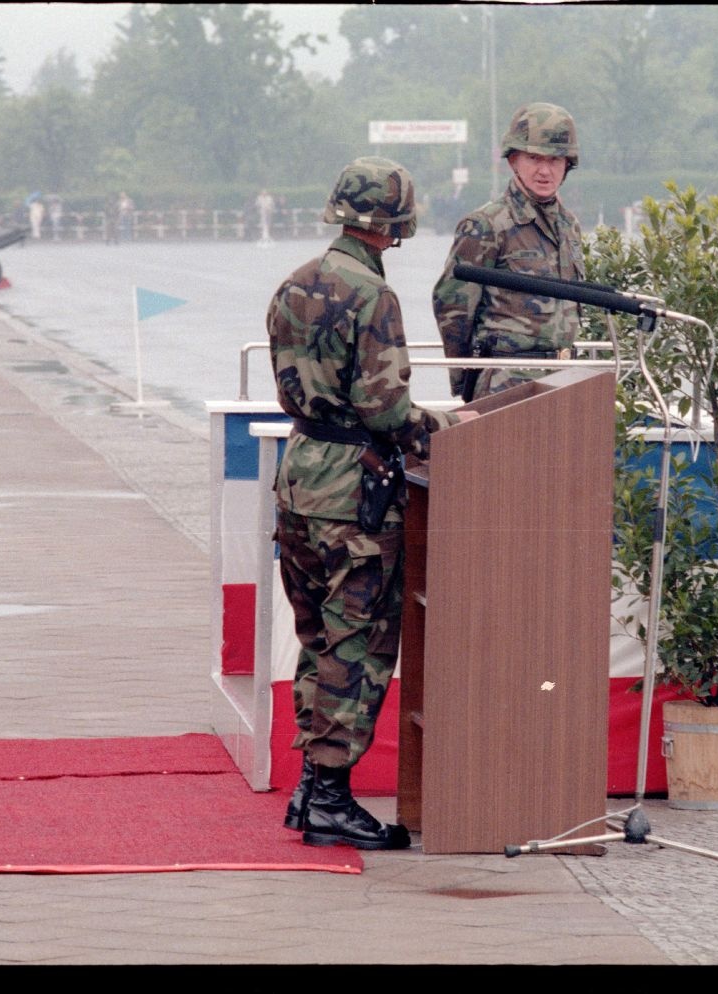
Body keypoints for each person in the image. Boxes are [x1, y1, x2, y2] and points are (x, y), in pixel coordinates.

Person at [269, 156, 473, 850]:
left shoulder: (292, 285)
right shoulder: (373, 298)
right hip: (353, 495)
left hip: (299, 479)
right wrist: (449, 425)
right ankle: (328, 796)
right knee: (356, 646)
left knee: (317, 639)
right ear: (396, 224)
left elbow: (290, 389)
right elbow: (385, 411)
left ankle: (311, 785)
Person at [433, 101, 584, 401]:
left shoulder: (569, 226)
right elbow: (453, 305)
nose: (545, 170)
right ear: (513, 160)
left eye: (555, 160)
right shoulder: (486, 225)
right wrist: (467, 378)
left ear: (568, 164)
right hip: (506, 380)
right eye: (533, 158)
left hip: (563, 378)